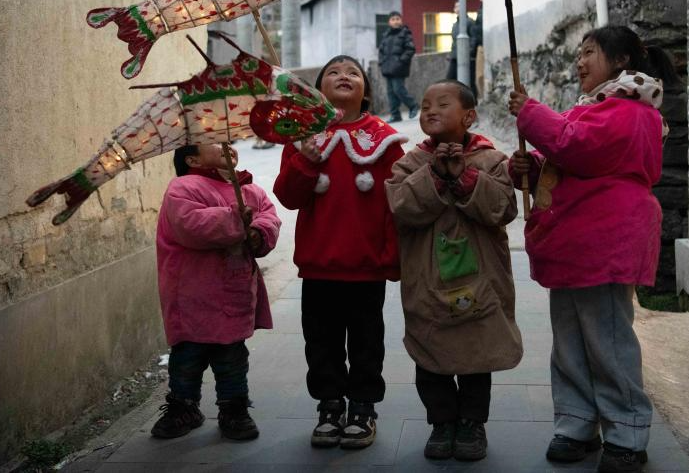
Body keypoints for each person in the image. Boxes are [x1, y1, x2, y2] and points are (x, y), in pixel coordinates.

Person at [507, 25, 675, 473]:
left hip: (606, 242)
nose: (579, 61)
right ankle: (577, 423)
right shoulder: (592, 108)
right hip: (575, 244)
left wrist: (531, 114)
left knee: (608, 342)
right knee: (570, 341)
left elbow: (576, 145)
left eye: (589, 52)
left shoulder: (632, 111)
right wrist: (529, 167)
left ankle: (627, 433)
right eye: (579, 53)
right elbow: (563, 159)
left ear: (620, 61)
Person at [273, 55, 408, 450]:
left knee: (367, 343)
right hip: (318, 265)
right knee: (321, 343)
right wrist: (305, 160)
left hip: (367, 266)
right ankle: (329, 406)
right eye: (333, 72)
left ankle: (363, 408)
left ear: (366, 90)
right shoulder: (303, 137)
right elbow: (288, 197)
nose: (343, 76)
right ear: (319, 90)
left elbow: (397, 204)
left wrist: (392, 257)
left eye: (353, 72)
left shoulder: (384, 139)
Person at [386, 80, 522, 462]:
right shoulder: (410, 163)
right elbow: (401, 207)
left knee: (477, 352)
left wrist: (464, 177)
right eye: (425, 105)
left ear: (469, 116)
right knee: (431, 350)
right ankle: (442, 422)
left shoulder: (490, 160)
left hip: (481, 279)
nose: (430, 110)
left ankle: (472, 423)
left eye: (442, 104)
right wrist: (433, 174)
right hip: (428, 279)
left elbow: (504, 209)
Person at [151, 143, 281, 442]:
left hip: (234, 291)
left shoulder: (249, 189)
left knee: (232, 357)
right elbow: (190, 224)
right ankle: (184, 407)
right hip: (192, 292)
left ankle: (234, 410)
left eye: (228, 140)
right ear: (192, 159)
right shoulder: (182, 187)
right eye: (213, 141)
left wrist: (258, 232)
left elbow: (269, 216)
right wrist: (236, 219)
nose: (227, 146)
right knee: (188, 356)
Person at [377, 10, 419, 122]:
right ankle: (395, 115)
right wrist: (381, 62)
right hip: (387, 68)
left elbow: (410, 49)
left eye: (397, 19)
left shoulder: (405, 33)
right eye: (393, 19)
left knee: (398, 89)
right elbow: (381, 51)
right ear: (389, 22)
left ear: (401, 20)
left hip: (399, 68)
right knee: (390, 93)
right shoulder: (386, 35)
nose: (395, 21)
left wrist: (401, 61)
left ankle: (413, 105)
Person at [445, 2, 480, 94]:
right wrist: (451, 54)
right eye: (455, 6)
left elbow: (474, 39)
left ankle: (473, 100)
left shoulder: (470, 22)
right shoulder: (455, 25)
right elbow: (454, 42)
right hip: (455, 57)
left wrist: (469, 53)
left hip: (468, 58)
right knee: (450, 80)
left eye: (458, 6)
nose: (456, 8)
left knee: (469, 82)